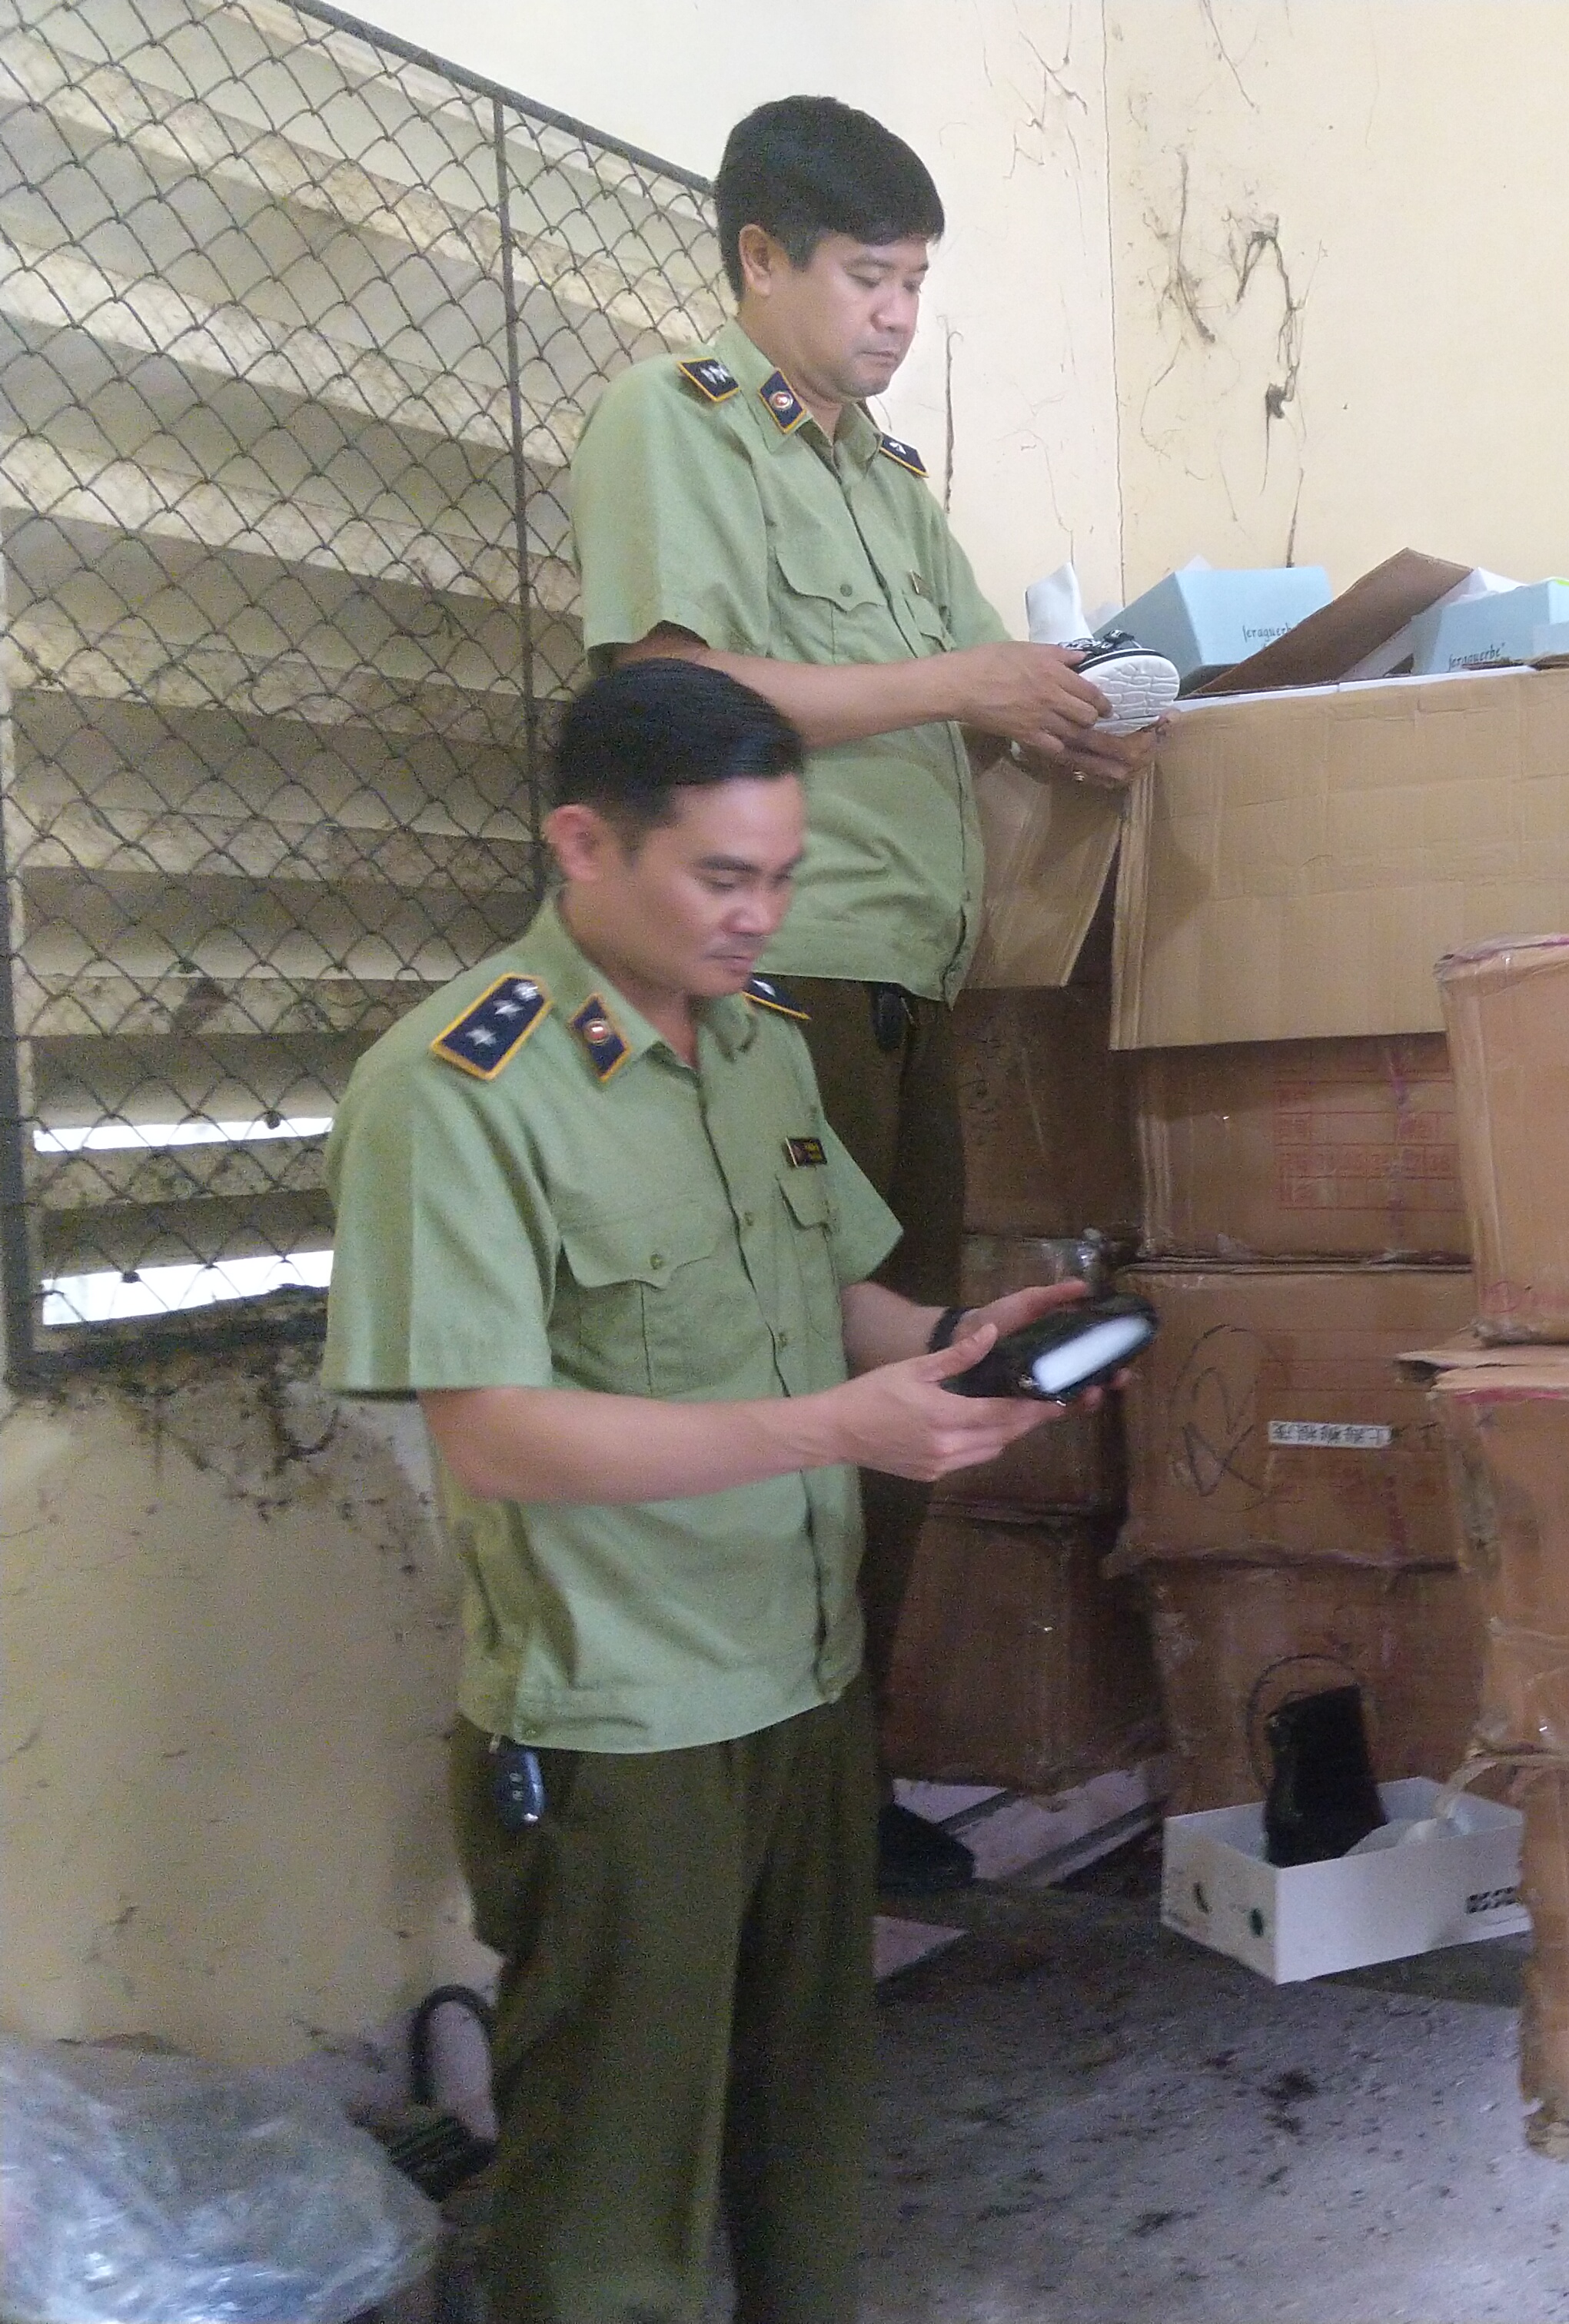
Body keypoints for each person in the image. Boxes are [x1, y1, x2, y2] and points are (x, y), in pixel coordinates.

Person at [321, 659, 1104, 2322]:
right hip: (627, 1725)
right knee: (616, 2192)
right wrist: (836, 1431)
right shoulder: (456, 1090)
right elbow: (498, 1433)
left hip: (801, 1678)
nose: (761, 918)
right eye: (723, 877)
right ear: (583, 845)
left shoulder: (758, 1046)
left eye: (784, 879)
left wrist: (962, 1346)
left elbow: (836, 1294)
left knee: (806, 2143)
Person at [567, 94, 1159, 1891]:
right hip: (775, 980)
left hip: (907, 980)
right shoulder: (675, 425)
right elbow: (675, 692)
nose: (898, 317)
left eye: (916, 285)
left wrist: (1055, 714)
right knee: (786, 1372)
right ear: (761, 258)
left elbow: (956, 685)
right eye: (867, 278)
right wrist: (964, 684)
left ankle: (848, 1773)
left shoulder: (886, 483)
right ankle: (766, 1790)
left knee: (912, 1365)